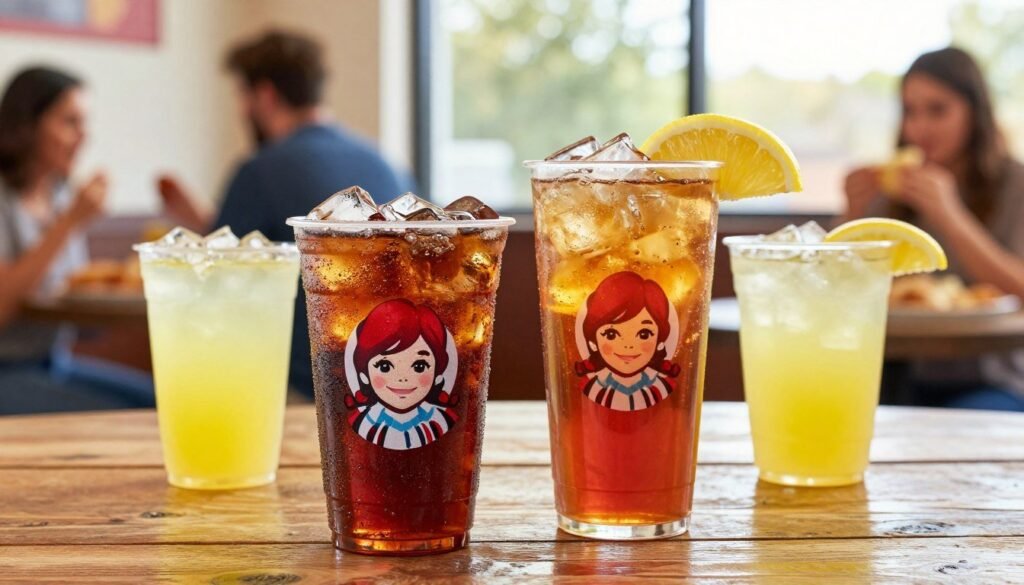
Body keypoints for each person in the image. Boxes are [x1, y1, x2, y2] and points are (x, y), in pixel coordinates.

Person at [159, 30, 414, 397]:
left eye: (242, 96)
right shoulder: (386, 165)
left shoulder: (260, 171)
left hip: (302, 388)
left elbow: (214, 283)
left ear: (265, 95)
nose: (241, 110)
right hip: (390, 383)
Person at [842, 47, 1024, 411]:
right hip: (898, 372)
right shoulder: (892, 194)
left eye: (937, 110)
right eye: (910, 111)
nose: (920, 128)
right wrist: (853, 211)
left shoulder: (1015, 184)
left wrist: (950, 215)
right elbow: (841, 286)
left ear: (975, 113)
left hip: (995, 378)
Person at [0, 67, 144, 413]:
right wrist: (68, 224)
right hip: (8, 369)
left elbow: (70, 297)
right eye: (70, 122)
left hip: (52, 362)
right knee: (126, 420)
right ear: (27, 125)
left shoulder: (59, 195)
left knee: (161, 404)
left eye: (84, 123)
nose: (83, 136)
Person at [345, 299, 458, 451]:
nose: (402, 378)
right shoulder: (364, 421)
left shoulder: (440, 420)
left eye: (419, 366)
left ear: (438, 374)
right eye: (384, 367)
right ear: (364, 375)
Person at [574, 271, 681, 412]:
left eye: (644, 334)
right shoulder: (592, 387)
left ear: (659, 341)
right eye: (611, 334)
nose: (628, 345)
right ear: (593, 342)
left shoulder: (661, 387)